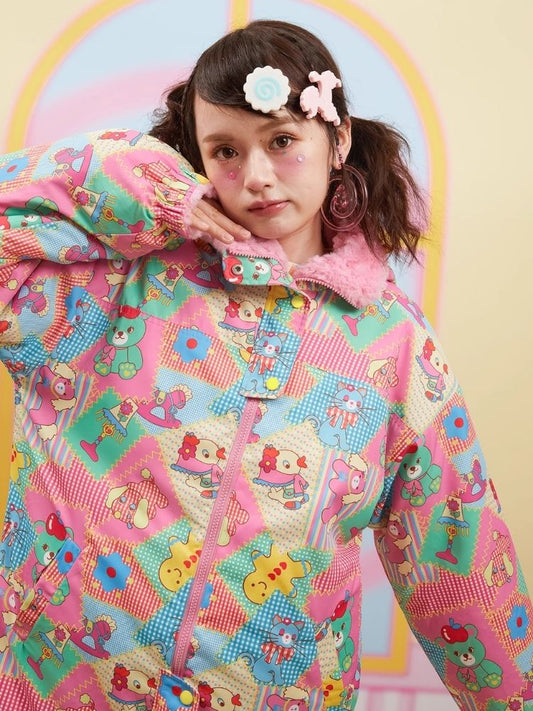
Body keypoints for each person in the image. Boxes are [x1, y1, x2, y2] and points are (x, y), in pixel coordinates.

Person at [0, 18, 531, 711]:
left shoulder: (395, 346)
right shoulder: (112, 285)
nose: (254, 177)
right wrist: (151, 193)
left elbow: (458, 557)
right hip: (57, 686)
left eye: (281, 141)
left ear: (337, 139)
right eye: (225, 150)